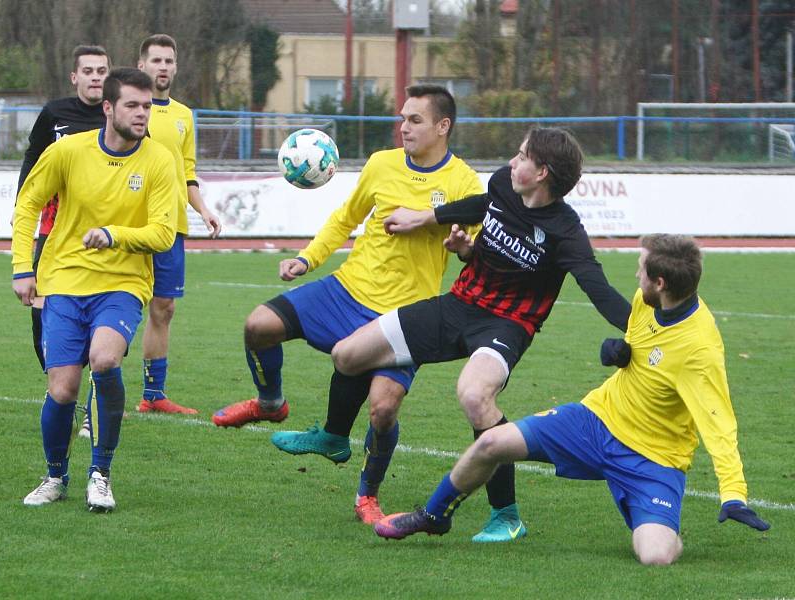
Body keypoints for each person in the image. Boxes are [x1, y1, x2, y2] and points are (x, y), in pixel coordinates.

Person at [372, 234, 771, 564]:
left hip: (653, 460)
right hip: (595, 421)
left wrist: (734, 494)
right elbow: (643, 341)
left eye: (641, 268)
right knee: (492, 441)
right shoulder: (645, 299)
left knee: (656, 556)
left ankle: (657, 519)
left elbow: (719, 422)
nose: (636, 274)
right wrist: (622, 351)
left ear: (661, 283)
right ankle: (433, 515)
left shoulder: (700, 351)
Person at [331, 127, 632, 542]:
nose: (512, 161)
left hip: (506, 326)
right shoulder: (501, 184)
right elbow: (482, 206)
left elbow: (598, 289)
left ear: (542, 172)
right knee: (347, 355)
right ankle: (335, 438)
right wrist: (448, 233)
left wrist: (647, 329)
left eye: (522, 155)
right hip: (458, 305)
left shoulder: (565, 232)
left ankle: (506, 516)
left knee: (475, 396)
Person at [212, 85, 483, 525]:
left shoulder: (462, 182)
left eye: (415, 120)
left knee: (383, 408)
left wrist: (462, 246)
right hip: (346, 290)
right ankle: (270, 403)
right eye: (402, 118)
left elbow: (478, 247)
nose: (404, 127)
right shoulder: (382, 164)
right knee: (258, 325)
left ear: (442, 126)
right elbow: (345, 218)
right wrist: (306, 258)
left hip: (404, 315)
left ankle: (367, 496)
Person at [12, 67, 178, 512]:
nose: (142, 114)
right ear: (108, 108)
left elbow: (163, 232)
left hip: (122, 283)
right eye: (132, 105)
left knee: (105, 359)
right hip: (63, 280)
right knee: (63, 388)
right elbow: (28, 201)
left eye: (146, 106)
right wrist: (20, 268)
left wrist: (113, 235)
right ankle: (54, 476)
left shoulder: (161, 160)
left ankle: (100, 474)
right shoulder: (67, 151)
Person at [136, 33, 222, 415]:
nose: (164, 67)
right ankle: (98, 387)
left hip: (171, 225)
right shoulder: (129, 108)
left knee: (164, 307)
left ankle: (153, 395)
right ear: (142, 66)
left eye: (169, 61)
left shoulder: (184, 115)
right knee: (117, 303)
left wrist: (202, 208)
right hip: (132, 224)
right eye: (156, 61)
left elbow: (187, 171)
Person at [17, 45, 110, 372]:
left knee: (101, 311)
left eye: (101, 71)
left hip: (104, 230)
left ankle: (90, 395)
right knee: (41, 307)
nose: (96, 77)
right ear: (75, 77)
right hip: (55, 226)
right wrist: (23, 199)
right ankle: (57, 382)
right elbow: (33, 156)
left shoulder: (118, 116)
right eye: (88, 71)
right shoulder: (54, 113)